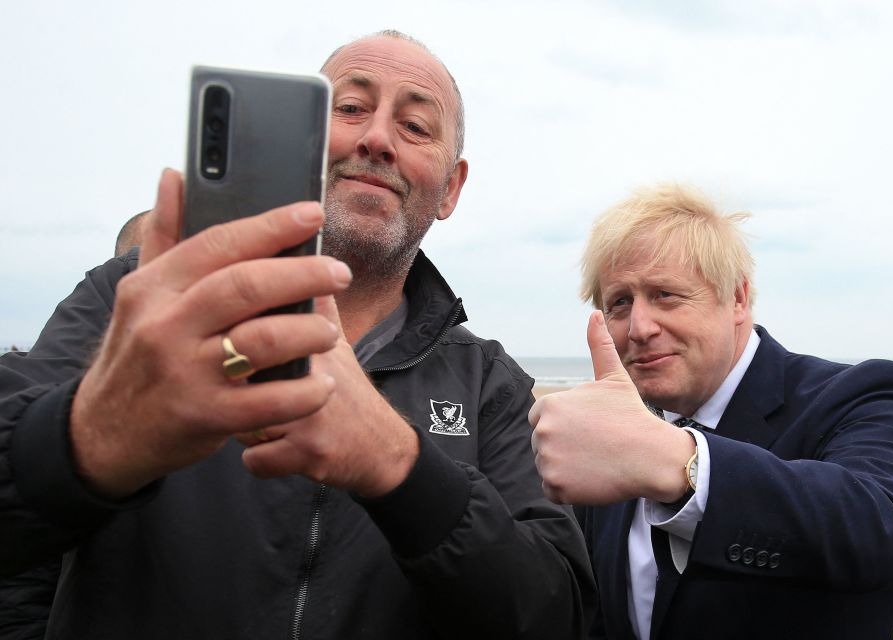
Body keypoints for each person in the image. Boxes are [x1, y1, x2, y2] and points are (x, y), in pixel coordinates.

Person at [0, 31, 594, 639]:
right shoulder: (139, 298)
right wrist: (98, 433)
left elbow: (557, 613)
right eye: (350, 108)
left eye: (416, 126)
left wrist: (399, 465)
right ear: (302, 142)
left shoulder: (490, 386)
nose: (377, 140)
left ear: (451, 188)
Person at [529, 184, 893, 639]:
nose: (639, 328)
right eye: (620, 302)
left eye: (665, 294)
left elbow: (880, 529)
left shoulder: (856, 394)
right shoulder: (618, 436)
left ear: (737, 299)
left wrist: (681, 464)